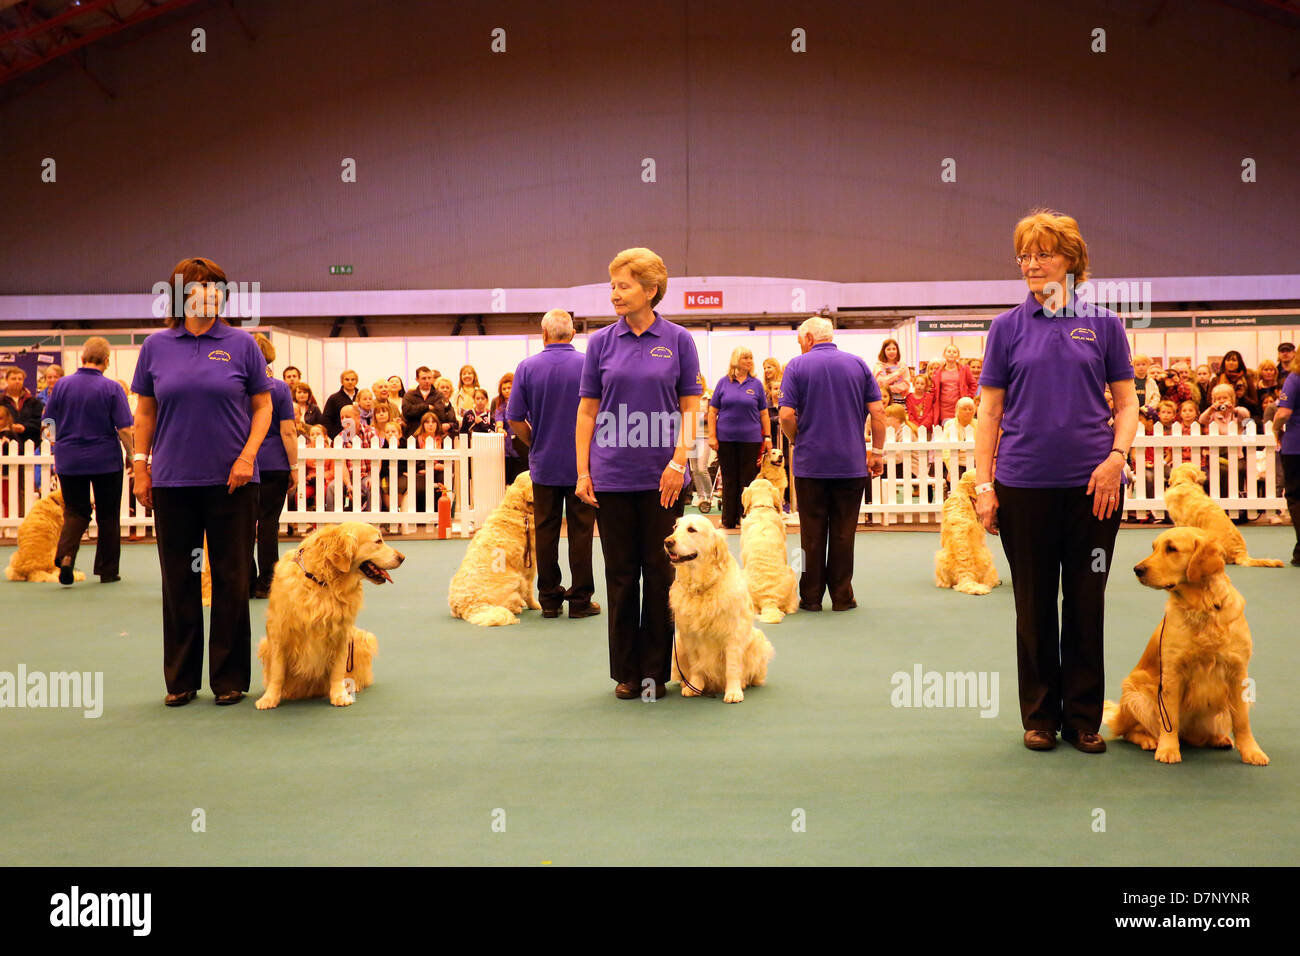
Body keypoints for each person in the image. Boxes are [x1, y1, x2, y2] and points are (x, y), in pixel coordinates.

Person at [974, 210, 1137, 755]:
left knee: (1087, 601)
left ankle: (1085, 718)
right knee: (1034, 603)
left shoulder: (1105, 324)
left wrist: (1117, 456)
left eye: (1042, 252)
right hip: (1023, 487)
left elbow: (1127, 403)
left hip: (1096, 489)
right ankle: (1040, 716)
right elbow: (989, 413)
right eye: (1024, 254)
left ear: (1071, 260)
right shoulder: (1005, 328)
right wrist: (984, 485)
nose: (1031, 263)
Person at [131, 256, 273, 707]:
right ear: (178, 295)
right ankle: (181, 680)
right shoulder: (155, 346)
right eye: (198, 287)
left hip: (232, 483)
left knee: (232, 579)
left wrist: (248, 457)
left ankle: (229, 679)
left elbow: (263, 407)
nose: (208, 294)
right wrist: (140, 465)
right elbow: (145, 412)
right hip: (173, 484)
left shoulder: (242, 345)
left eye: (216, 287)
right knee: (180, 580)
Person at [576, 247, 700, 700]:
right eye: (612, 285)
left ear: (651, 290)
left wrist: (678, 462)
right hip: (612, 478)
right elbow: (587, 411)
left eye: (623, 285)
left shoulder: (680, 341)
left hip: (663, 479)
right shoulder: (601, 343)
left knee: (661, 574)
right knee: (622, 577)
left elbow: (690, 406)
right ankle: (628, 674)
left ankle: (656, 673)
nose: (614, 294)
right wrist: (583, 471)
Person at [779, 316, 887, 612]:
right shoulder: (859, 364)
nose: (799, 345)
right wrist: (876, 451)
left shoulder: (796, 366)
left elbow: (786, 416)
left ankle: (810, 597)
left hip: (811, 464)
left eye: (800, 339)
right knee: (843, 531)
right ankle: (842, 595)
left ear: (810, 339)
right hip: (850, 464)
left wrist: (796, 439)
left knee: (811, 534)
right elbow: (878, 412)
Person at [508, 309, 600, 619]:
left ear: (544, 335)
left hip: (544, 462)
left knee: (545, 531)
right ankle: (580, 600)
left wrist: (535, 440)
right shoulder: (589, 363)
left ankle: (549, 599)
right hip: (582, 465)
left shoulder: (526, 367)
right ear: (573, 334)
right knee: (581, 531)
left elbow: (514, 418)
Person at [44, 338, 134, 584]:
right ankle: (107, 571)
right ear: (106, 361)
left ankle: (65, 557)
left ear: (82, 358)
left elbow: (47, 422)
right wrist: (133, 455)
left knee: (75, 511)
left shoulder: (61, 386)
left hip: (70, 459)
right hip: (105, 460)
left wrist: (56, 444)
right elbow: (125, 428)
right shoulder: (112, 388)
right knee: (108, 515)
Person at [249, 333, 298, 599]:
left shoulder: (238, 387)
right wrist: (294, 466)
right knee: (268, 524)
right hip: (275, 463)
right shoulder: (280, 388)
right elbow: (288, 431)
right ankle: (267, 582)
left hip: (244, 461)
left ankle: (244, 580)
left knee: (243, 525)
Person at [709, 346, 771, 530]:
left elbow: (764, 414)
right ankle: (728, 519)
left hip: (751, 439)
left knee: (748, 480)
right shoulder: (723, 383)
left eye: (751, 358)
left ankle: (745, 517)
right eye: (745, 358)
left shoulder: (756, 384)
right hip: (726, 438)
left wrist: (767, 437)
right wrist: (712, 436)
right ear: (736, 360)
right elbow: (712, 412)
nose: (749, 361)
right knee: (729, 479)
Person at [1272, 352, 1300, 565]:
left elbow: (1283, 413)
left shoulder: (1294, 378)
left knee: (1296, 497)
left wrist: (1275, 428)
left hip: (1296, 445)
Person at [492, 373, 527, 484]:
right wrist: (500, 428)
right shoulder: (500, 406)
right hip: (508, 448)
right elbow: (499, 420)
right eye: (504, 388)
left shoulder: (524, 402)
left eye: (509, 388)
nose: (507, 391)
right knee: (509, 480)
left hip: (523, 444)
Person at [931, 345, 977, 424]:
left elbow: (973, 384)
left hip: (960, 407)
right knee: (946, 430)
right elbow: (934, 389)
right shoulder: (938, 371)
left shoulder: (964, 369)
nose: (951, 353)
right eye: (949, 351)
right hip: (943, 408)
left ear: (958, 355)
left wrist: (967, 397)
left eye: (954, 352)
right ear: (944, 355)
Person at [1, 365, 43, 446]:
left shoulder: (34, 402)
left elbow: (40, 422)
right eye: (13, 379)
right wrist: (9, 427)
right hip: (5, 445)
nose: (17, 381)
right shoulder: (1, 401)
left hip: (31, 445)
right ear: (6, 380)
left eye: (20, 379)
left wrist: (25, 427)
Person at [321, 369, 360, 438]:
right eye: (347, 379)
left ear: (356, 381)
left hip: (359, 436)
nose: (350, 382)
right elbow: (327, 419)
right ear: (342, 381)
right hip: (339, 436)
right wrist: (333, 435)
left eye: (352, 379)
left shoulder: (361, 397)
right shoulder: (334, 398)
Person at [874, 338, 912, 408]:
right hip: (883, 400)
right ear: (884, 351)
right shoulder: (879, 366)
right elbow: (880, 383)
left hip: (899, 400)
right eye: (888, 349)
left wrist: (889, 387)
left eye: (894, 349)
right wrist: (898, 373)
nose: (892, 351)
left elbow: (906, 384)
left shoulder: (903, 366)